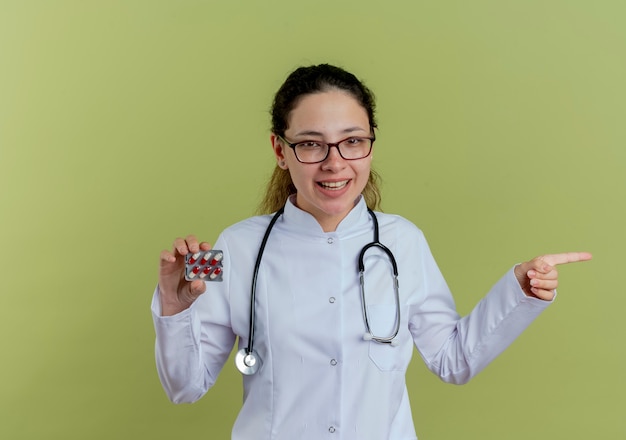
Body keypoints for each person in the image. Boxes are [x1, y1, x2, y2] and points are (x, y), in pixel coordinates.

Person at [152, 64, 592, 440]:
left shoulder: (404, 241)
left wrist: (520, 288)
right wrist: (174, 306)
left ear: (370, 144)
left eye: (352, 140)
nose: (334, 162)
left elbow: (453, 360)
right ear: (279, 150)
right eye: (310, 143)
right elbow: (185, 387)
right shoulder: (235, 247)